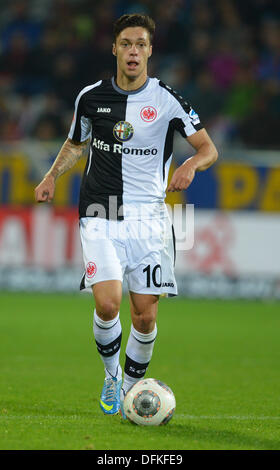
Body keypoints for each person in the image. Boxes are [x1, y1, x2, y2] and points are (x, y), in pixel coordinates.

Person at [34, 13, 218, 418]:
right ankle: (112, 376)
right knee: (107, 304)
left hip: (150, 218)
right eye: (126, 44)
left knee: (145, 314)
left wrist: (190, 166)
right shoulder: (91, 97)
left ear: (150, 50)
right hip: (101, 210)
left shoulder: (167, 100)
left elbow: (208, 149)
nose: (133, 51)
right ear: (114, 49)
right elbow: (75, 143)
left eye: (140, 44)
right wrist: (51, 176)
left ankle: (134, 388)